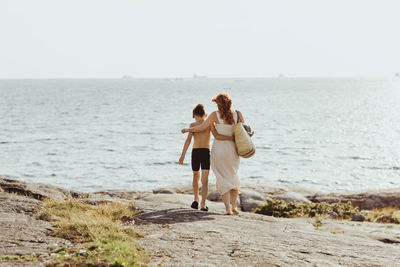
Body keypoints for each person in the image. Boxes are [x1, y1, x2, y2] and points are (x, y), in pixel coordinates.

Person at [181, 93, 244, 215]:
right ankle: (234, 206)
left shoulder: (215, 115)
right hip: (234, 150)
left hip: (219, 150)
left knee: (221, 177)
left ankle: (227, 209)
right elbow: (243, 131)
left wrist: (188, 130)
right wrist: (234, 139)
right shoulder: (238, 114)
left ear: (219, 104)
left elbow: (202, 128)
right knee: (233, 175)